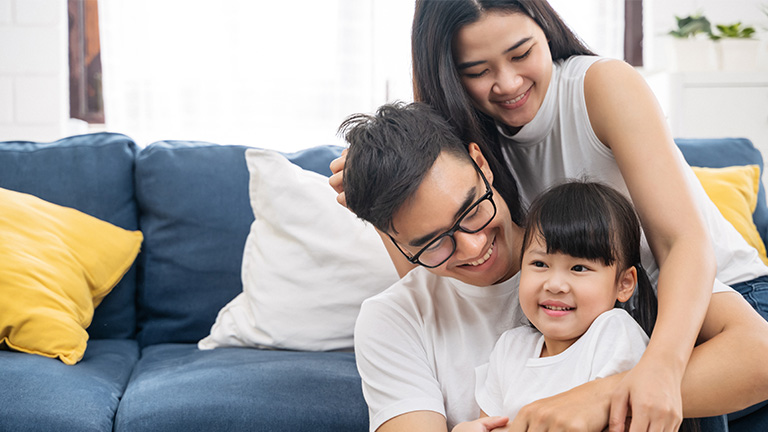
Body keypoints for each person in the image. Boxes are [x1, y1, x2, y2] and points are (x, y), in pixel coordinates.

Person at [330, 1, 768, 430]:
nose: (507, 82)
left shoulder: (598, 88)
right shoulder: (470, 139)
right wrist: (377, 194)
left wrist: (635, 380)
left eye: (521, 53)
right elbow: (431, 273)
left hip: (716, 297)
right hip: (620, 306)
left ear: (545, 26)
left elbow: (681, 244)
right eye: (477, 71)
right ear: (450, 74)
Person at [454, 181, 690, 432]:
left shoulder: (614, 333)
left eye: (579, 268)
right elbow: (489, 422)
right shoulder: (510, 347)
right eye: (540, 264)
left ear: (623, 283)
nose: (555, 285)